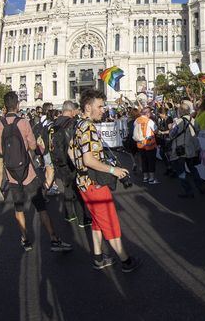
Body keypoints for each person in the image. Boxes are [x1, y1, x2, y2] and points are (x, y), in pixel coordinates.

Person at [70, 88, 141, 272]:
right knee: (109, 222)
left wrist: (81, 169)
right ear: (88, 107)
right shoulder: (88, 127)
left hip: (83, 182)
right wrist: (113, 170)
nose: (104, 110)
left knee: (97, 221)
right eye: (100, 106)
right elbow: (88, 159)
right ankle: (126, 261)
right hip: (94, 184)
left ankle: (98, 257)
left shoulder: (78, 125)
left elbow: (72, 152)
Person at [0, 91, 73, 253]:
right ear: (17, 105)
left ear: (5, 106)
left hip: (11, 172)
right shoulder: (23, 122)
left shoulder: (0, 124)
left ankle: (25, 238)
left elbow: (0, 149)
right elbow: (32, 146)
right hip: (28, 171)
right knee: (41, 207)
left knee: (19, 208)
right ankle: (54, 238)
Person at [50, 100, 92, 227]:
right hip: (71, 160)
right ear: (71, 110)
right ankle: (82, 218)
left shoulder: (54, 124)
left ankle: (69, 214)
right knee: (78, 188)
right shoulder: (73, 124)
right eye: (75, 110)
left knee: (67, 186)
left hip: (58, 161)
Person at [168, 100, 205, 198]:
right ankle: (200, 186)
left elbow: (172, 135)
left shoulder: (178, 121)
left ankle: (188, 191)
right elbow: (198, 132)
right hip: (191, 149)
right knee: (193, 169)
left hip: (180, 149)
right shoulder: (194, 120)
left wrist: (171, 128)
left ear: (180, 111)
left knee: (181, 171)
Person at [134, 107, 159, 184]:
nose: (150, 114)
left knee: (144, 160)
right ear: (147, 113)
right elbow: (156, 130)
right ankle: (151, 178)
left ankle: (145, 177)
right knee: (151, 161)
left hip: (140, 144)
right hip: (149, 144)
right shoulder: (150, 121)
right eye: (150, 113)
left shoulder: (136, 120)